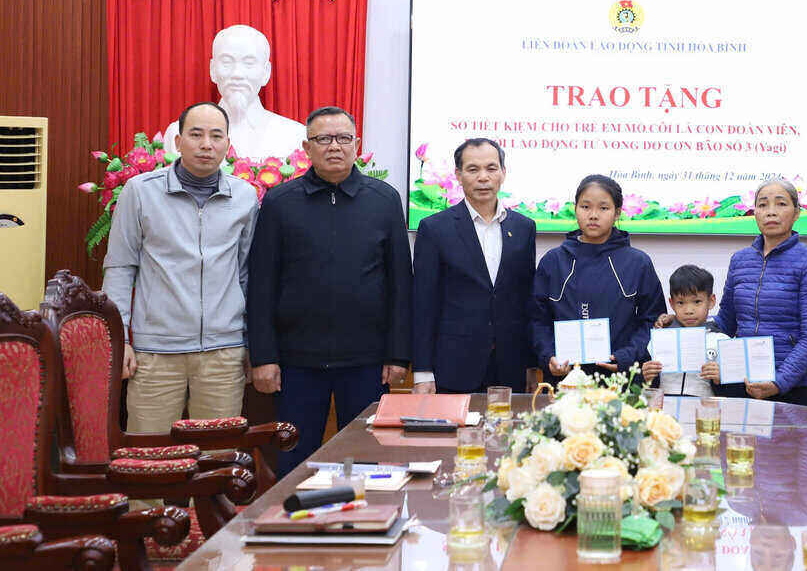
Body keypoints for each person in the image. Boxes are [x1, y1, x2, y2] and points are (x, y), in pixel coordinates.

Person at [247, 106, 412, 474]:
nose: (334, 146)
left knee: (368, 458)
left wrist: (398, 355)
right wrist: (263, 356)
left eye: (343, 138)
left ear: (357, 144)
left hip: (367, 362)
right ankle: (291, 529)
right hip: (297, 362)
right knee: (294, 459)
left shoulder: (383, 199)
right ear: (307, 148)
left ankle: (367, 527)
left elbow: (401, 282)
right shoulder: (280, 202)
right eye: (323, 139)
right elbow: (261, 284)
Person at [103, 101, 258, 433]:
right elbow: (120, 267)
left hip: (222, 353)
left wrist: (248, 342)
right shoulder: (141, 192)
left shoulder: (245, 197)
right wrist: (120, 340)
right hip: (156, 354)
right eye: (196, 134)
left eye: (216, 136)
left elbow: (246, 274)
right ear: (177, 141)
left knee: (217, 457)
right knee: (150, 457)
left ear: (228, 145)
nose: (206, 144)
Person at [411, 138, 538, 394]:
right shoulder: (435, 229)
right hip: (454, 366)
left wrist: (531, 365)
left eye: (491, 168)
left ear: (503, 172)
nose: (483, 177)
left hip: (510, 366)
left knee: (507, 433)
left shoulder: (524, 228)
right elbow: (423, 304)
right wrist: (422, 372)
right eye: (472, 169)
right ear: (458, 175)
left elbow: (526, 300)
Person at [706, 179, 807, 407]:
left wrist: (779, 381)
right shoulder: (740, 261)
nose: (771, 212)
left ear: (796, 213)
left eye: (781, 204)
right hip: (743, 381)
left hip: (794, 387)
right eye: (763, 205)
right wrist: (678, 325)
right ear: (754, 212)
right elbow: (725, 322)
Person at [529, 174, 665, 380]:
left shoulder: (638, 262)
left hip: (620, 379)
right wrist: (548, 356)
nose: (593, 215)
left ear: (617, 212)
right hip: (565, 379)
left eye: (603, 208)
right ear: (575, 209)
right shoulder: (553, 261)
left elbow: (652, 321)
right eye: (585, 207)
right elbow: (538, 320)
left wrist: (626, 357)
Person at [163, 24, 306, 160]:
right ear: (213, 69)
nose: (237, 73)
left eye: (249, 63)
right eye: (227, 62)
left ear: (266, 72)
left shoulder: (295, 136)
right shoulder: (177, 134)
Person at [641, 265, 729, 398]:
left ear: (711, 301)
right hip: (665, 413)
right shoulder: (659, 339)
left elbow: (735, 392)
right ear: (671, 303)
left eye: (697, 302)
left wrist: (720, 380)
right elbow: (645, 386)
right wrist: (647, 377)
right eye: (681, 303)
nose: (689, 310)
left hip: (704, 412)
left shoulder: (722, 341)